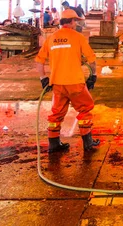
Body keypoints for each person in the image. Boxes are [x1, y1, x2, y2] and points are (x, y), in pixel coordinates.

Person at [35, 8, 100, 153]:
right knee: (84, 109)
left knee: (56, 113)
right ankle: (88, 143)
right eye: (75, 21)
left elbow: (39, 61)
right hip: (75, 82)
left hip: (57, 83)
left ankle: (54, 144)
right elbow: (92, 59)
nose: (76, 24)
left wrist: (43, 78)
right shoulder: (78, 37)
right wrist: (93, 75)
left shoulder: (51, 38)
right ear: (71, 22)